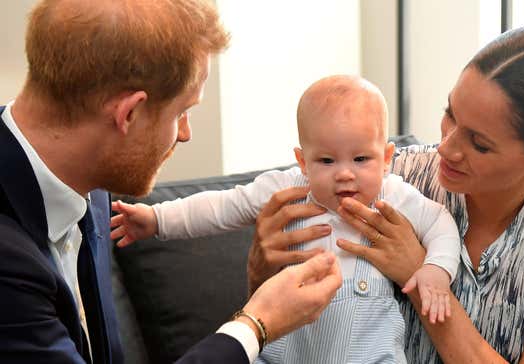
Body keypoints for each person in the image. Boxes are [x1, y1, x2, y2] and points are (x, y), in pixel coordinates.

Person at [247, 26, 524, 363]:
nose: (446, 148)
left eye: (479, 144)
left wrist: (421, 275)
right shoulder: (390, 175)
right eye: (450, 114)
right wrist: (260, 270)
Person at [0, 0, 342, 363]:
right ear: (129, 113)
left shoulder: (91, 183)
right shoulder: (9, 262)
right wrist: (256, 324)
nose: (185, 133)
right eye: (182, 112)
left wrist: (260, 285)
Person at [110, 74, 461, 363]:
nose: (345, 175)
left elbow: (441, 225)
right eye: (326, 161)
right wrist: (156, 219)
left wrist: (435, 271)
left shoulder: (394, 195)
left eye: (360, 159)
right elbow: (221, 207)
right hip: (288, 350)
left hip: (369, 353)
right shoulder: (286, 189)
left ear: (386, 158)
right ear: (302, 161)